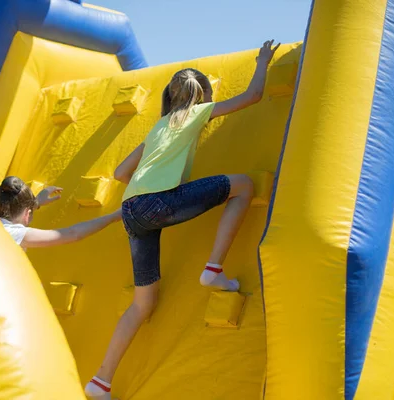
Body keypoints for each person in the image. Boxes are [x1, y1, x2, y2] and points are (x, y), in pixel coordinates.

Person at [84, 39, 281, 399]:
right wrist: (263, 61)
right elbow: (253, 96)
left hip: (132, 211)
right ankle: (214, 268)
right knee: (244, 185)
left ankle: (101, 380)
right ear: (201, 96)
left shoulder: (157, 128)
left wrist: (150, 186)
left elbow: (119, 172)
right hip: (157, 205)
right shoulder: (197, 113)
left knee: (143, 304)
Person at [0, 176, 122, 249]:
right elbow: (73, 234)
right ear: (27, 213)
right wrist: (113, 216)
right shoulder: (16, 234)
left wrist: (36, 203)